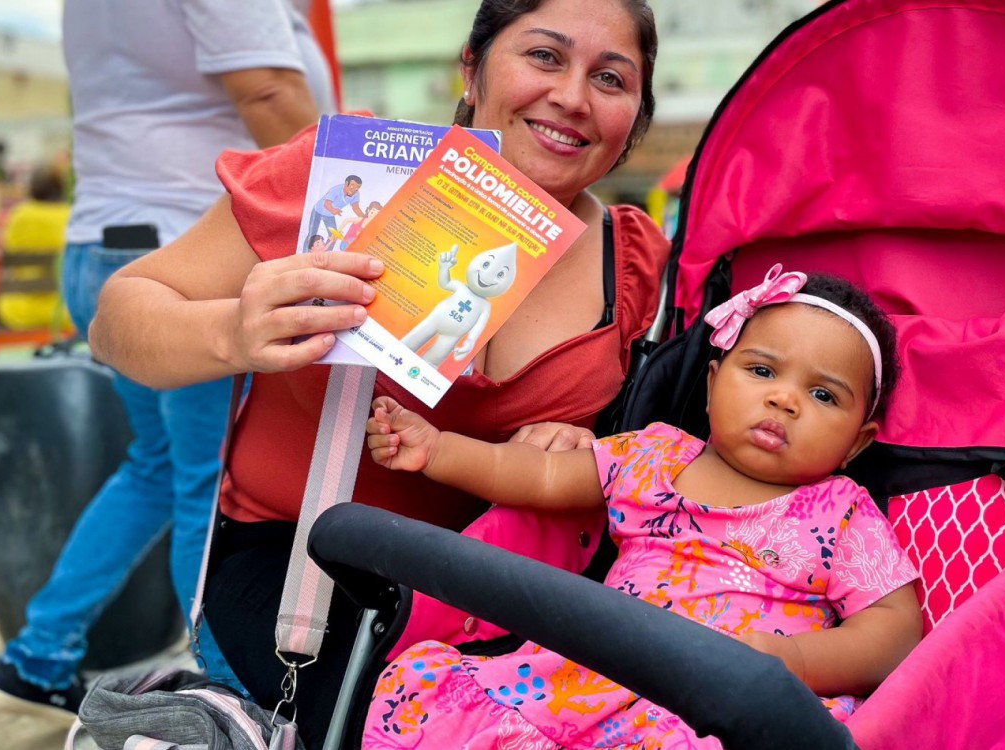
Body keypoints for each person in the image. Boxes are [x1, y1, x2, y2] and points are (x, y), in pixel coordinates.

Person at [87, 1, 665, 746]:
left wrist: (584, 442)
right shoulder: (350, 177)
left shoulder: (637, 263)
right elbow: (117, 321)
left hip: (511, 597)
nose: (574, 97)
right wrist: (233, 331)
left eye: (611, 79)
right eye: (546, 57)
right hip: (304, 584)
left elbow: (655, 469)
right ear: (471, 65)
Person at [361, 269, 923, 749]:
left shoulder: (842, 513)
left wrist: (794, 660)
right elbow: (543, 475)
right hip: (591, 676)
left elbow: (895, 629)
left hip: (724, 705)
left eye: (823, 395)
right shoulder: (656, 453)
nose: (785, 399)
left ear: (856, 443)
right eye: (762, 371)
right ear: (712, 383)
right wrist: (438, 450)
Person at [0, 0, 332, 725]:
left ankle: (38, 657)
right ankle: (224, 698)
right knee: (210, 485)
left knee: (160, 466)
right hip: (183, 256)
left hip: (102, 245)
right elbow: (268, 92)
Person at [0, 164, 71, 331]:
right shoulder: (71, 215)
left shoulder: (19, 215)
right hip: (63, 312)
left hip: (18, 310)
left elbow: (6, 248)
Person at [307, 174, 364, 239]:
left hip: (329, 216)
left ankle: (327, 249)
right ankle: (306, 249)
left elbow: (356, 208)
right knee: (312, 234)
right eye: (352, 188)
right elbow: (327, 204)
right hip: (318, 211)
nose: (353, 191)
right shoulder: (336, 190)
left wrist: (365, 218)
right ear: (346, 183)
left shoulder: (356, 194)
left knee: (333, 237)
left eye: (356, 189)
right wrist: (333, 210)